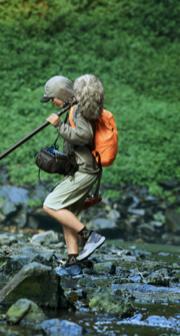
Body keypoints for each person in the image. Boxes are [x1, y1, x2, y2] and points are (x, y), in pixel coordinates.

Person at [40, 75, 106, 276]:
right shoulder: (73, 107)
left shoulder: (77, 109)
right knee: (68, 213)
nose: (52, 102)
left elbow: (85, 135)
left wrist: (59, 125)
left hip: (85, 170)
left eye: (53, 98)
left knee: (51, 204)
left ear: (62, 94)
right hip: (80, 169)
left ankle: (90, 236)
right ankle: (72, 261)